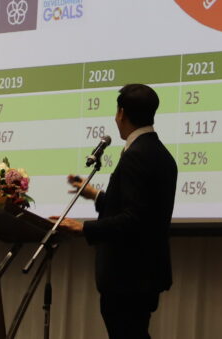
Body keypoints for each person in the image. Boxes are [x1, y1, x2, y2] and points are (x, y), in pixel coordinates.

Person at [54, 83, 178, 339]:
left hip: (127, 277)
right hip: (144, 275)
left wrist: (83, 228)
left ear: (121, 113)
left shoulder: (136, 154)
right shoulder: (161, 153)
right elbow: (143, 209)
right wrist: (95, 195)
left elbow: (134, 219)